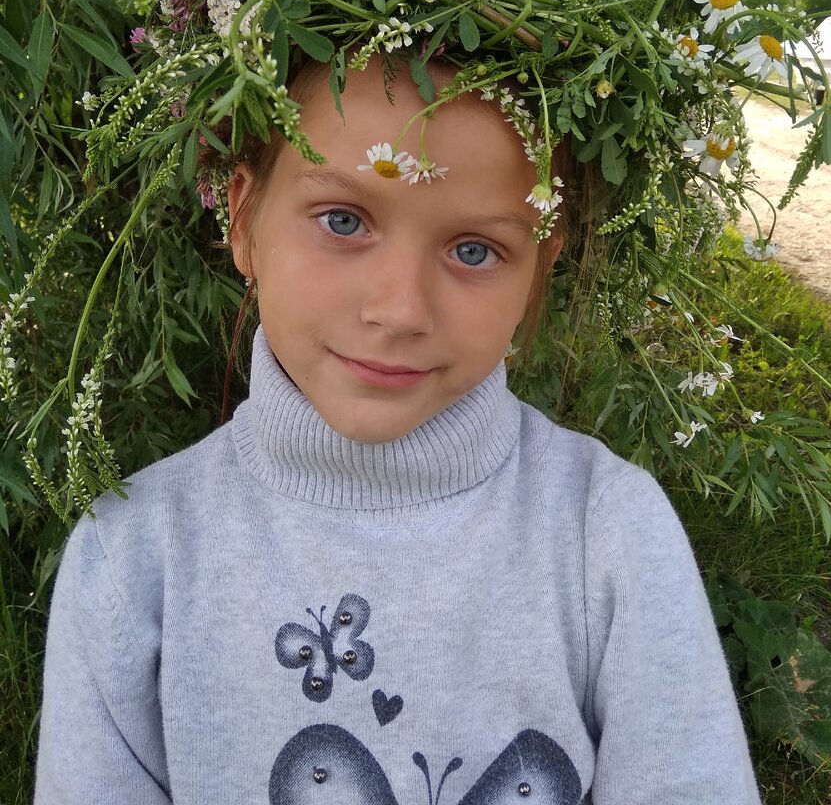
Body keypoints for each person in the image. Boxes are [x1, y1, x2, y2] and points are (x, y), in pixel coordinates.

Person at [34, 39, 761, 801]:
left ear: (538, 266)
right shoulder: (132, 564)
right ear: (243, 219)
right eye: (343, 220)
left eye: (474, 250)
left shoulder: (606, 536)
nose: (401, 309)